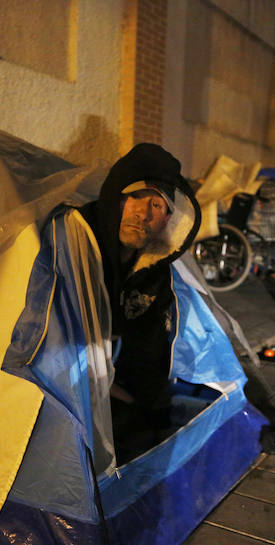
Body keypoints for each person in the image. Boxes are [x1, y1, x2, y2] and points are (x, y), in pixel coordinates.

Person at [78, 143, 201, 461]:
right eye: (135, 196)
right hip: (73, 393)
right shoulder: (77, 244)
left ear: (168, 220)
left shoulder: (154, 271)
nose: (143, 213)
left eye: (158, 205)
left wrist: (155, 412)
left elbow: (151, 346)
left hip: (119, 389)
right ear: (115, 199)